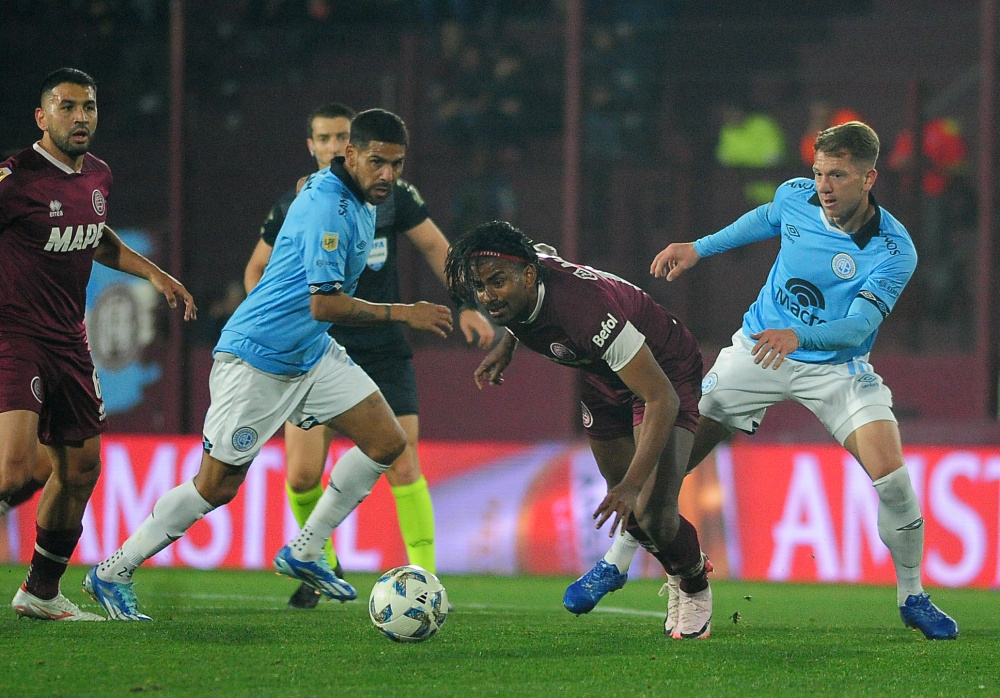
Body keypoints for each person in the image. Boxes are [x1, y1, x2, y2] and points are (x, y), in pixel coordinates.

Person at [83, 108, 454, 621]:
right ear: (351, 155)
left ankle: (305, 550)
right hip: (256, 359)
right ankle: (113, 569)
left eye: (396, 163)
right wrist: (405, 313)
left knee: (389, 442)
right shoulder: (331, 207)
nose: (387, 174)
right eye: (377, 162)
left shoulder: (361, 195)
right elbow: (323, 304)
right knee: (215, 486)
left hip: (310, 352)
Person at [649, 121, 958, 640]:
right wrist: (699, 247)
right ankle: (615, 562)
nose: (824, 186)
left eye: (837, 174)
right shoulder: (797, 197)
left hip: (836, 366)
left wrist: (801, 334)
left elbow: (861, 326)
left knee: (895, 480)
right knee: (674, 457)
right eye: (818, 173)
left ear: (869, 177)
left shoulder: (894, 248)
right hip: (759, 351)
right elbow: (763, 219)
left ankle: (912, 596)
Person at [244, 105, 495, 610]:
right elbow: (257, 270)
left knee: (404, 461)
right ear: (310, 145)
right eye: (324, 138)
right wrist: (276, 327)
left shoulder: (392, 197)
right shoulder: (300, 203)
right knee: (300, 475)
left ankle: (424, 579)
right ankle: (321, 560)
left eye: (341, 136)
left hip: (382, 349)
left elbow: (436, 248)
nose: (334, 146)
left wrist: (465, 302)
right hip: (318, 348)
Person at [445, 221, 713, 639]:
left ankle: (693, 583)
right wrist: (508, 344)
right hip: (601, 374)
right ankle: (648, 563)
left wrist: (631, 484)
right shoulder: (526, 272)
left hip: (663, 370)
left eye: (497, 283)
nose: (487, 297)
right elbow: (542, 247)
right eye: (479, 288)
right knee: (633, 512)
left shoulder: (581, 310)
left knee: (650, 513)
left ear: (529, 275)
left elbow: (662, 398)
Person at [1, 68, 197, 621]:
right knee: (17, 472)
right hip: (14, 335)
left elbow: (98, 236)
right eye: (67, 107)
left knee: (82, 467)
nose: (81, 117)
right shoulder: (15, 179)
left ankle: (40, 592)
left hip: (70, 340)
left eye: (88, 106)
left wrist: (155, 275)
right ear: (42, 117)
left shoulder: (99, 176)